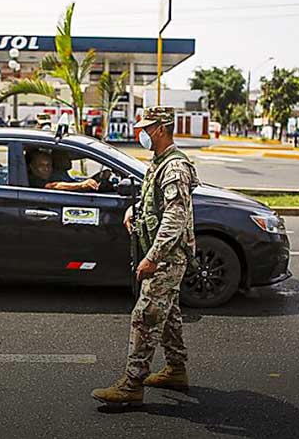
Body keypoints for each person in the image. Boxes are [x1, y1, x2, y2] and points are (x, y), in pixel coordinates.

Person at [91, 106, 200, 406]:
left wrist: (153, 257)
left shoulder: (175, 167)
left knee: (145, 316)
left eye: (146, 128)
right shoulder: (159, 162)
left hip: (167, 257)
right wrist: (134, 209)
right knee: (168, 314)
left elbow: (175, 218)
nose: (141, 133)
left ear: (161, 129)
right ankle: (176, 370)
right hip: (164, 254)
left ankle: (132, 384)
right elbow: (154, 200)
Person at [27, 150, 99, 192]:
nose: (46, 168)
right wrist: (81, 185)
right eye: (41, 165)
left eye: (48, 165)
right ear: (32, 166)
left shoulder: (55, 175)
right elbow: (53, 186)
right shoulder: (31, 180)